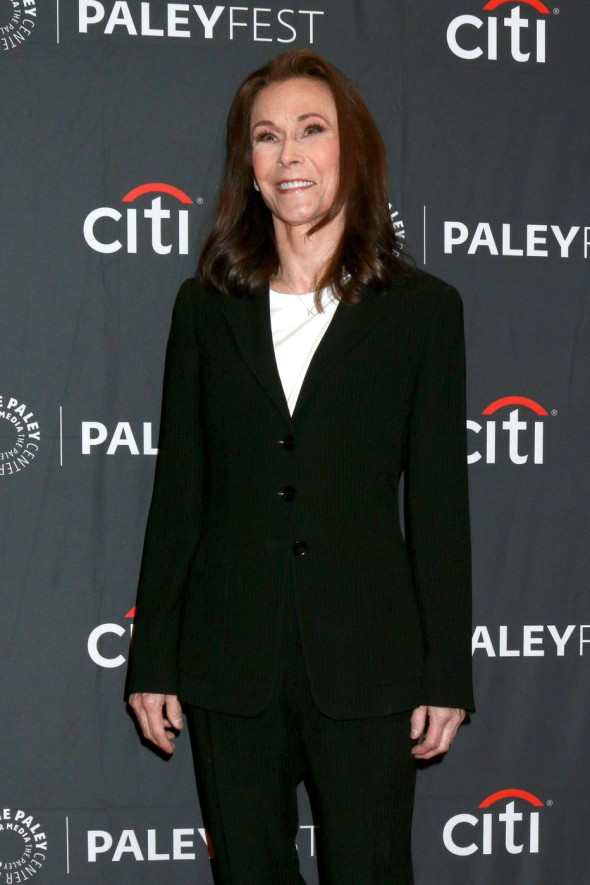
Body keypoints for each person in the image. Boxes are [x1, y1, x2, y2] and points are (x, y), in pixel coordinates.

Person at [125, 49, 474, 885]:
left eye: (311, 131)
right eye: (267, 137)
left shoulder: (424, 312)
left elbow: (438, 502)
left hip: (368, 660)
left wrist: (447, 672)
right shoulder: (203, 308)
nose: (290, 156)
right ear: (247, 165)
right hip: (227, 656)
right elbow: (181, 491)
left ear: (350, 148)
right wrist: (153, 658)